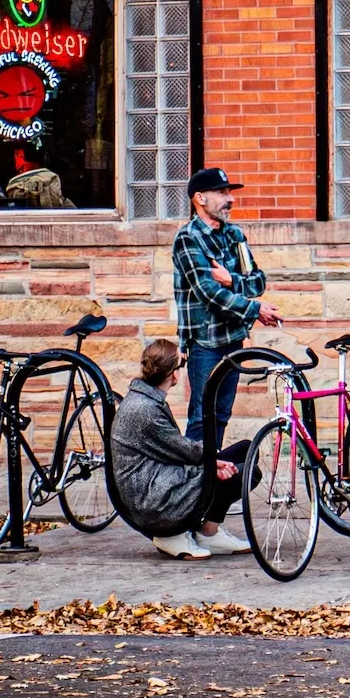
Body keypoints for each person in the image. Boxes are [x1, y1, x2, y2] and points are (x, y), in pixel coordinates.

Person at [110, 338, 255, 560]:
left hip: (161, 480)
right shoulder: (145, 410)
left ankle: (206, 532)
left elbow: (178, 449)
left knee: (245, 450)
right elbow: (184, 450)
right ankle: (186, 533)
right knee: (246, 473)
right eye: (183, 362)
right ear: (174, 374)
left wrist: (212, 462)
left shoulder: (143, 398)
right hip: (155, 501)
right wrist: (211, 464)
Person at [172, 167, 281, 442]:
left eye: (229, 192)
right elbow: (208, 293)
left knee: (221, 414)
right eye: (222, 192)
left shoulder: (235, 235)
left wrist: (231, 280)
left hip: (233, 339)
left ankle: (212, 475)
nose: (230, 199)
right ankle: (195, 481)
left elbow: (257, 281)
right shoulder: (188, 239)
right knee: (201, 415)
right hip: (204, 344)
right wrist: (255, 310)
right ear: (200, 198)